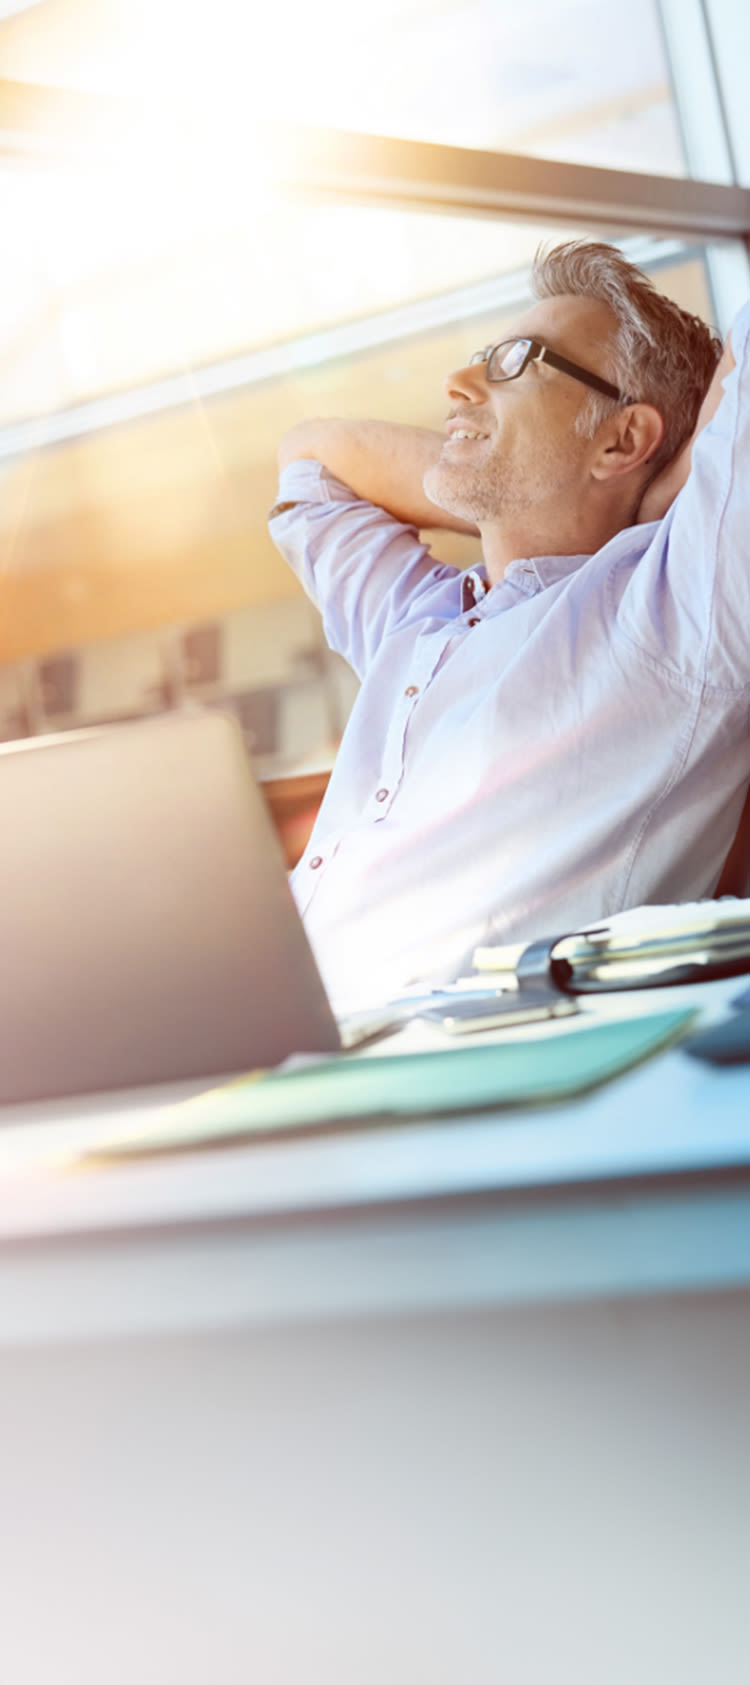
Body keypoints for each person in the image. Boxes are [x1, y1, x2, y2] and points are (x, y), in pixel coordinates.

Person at [269, 240, 749, 1012]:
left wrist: (680, 491)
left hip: (426, 1072)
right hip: (249, 1032)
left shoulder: (669, 612)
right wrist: (643, 492)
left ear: (622, 439)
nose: (457, 385)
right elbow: (311, 466)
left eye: (516, 362)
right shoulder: (418, 618)